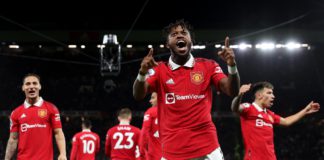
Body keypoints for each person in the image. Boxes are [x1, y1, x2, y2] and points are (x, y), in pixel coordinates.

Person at [133, 19, 240, 159]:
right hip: (172, 152)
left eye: (184, 33)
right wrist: (141, 73)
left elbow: (232, 90)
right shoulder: (159, 69)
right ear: (167, 44)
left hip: (208, 150)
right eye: (173, 34)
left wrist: (232, 65)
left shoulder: (208, 66)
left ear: (191, 40)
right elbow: (138, 94)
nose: (179, 35)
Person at [231, 82, 320, 160]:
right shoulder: (249, 108)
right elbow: (234, 108)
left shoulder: (270, 114)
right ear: (259, 95)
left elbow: (286, 121)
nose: (273, 96)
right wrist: (240, 94)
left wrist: (305, 111)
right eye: (269, 93)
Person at [5, 73, 67, 160]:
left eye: (35, 83)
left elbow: (58, 133)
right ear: (23, 88)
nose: (31, 86)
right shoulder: (15, 113)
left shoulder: (51, 108)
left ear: (40, 86)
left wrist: (63, 154)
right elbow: (13, 139)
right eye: (28, 84)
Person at [139, 92, 161, 160]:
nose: (150, 100)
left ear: (160, 98)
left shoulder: (150, 112)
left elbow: (144, 133)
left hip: (155, 156)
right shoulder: (173, 111)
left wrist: (142, 152)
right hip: (172, 155)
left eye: (153, 98)